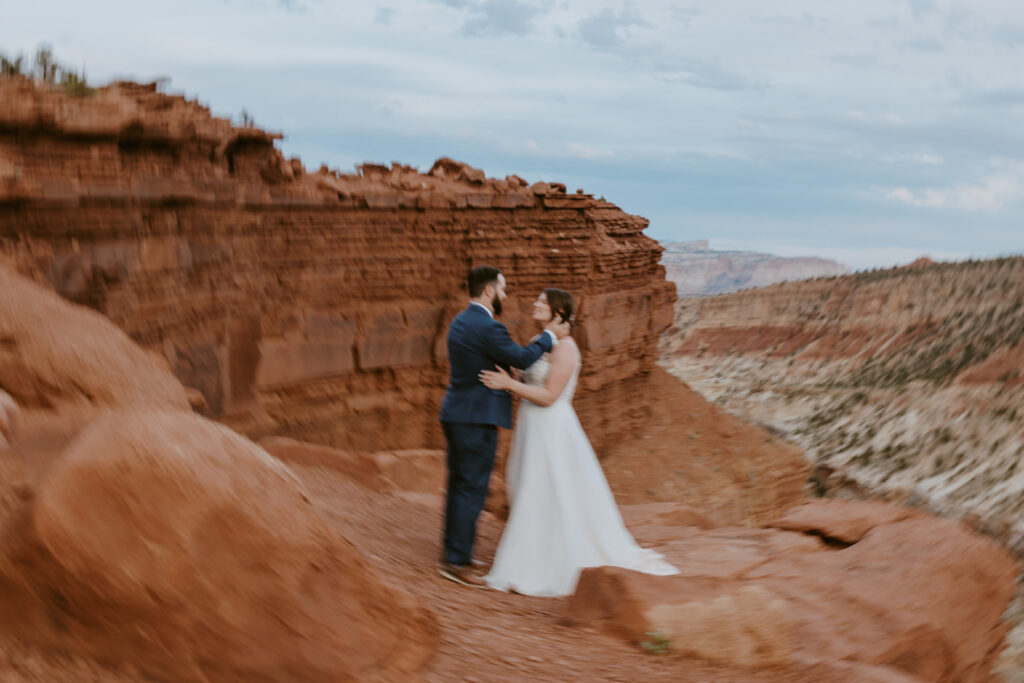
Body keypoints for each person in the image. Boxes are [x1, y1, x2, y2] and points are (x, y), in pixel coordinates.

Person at [479, 288, 679, 596]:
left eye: (543, 301)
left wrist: (508, 384)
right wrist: (506, 373)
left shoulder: (567, 348)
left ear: (559, 313)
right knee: (531, 489)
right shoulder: (538, 342)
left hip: (552, 430)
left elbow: (549, 397)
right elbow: (526, 378)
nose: (535, 303)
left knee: (547, 489)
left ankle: (549, 564)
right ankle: (536, 555)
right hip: (531, 428)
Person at [438, 266, 567, 588]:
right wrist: (549, 337)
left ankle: (455, 553)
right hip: (476, 418)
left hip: (456, 412)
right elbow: (522, 358)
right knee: (472, 488)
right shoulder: (488, 327)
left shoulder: (460, 320)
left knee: (459, 485)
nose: (505, 295)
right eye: (503, 289)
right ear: (489, 291)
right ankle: (457, 562)